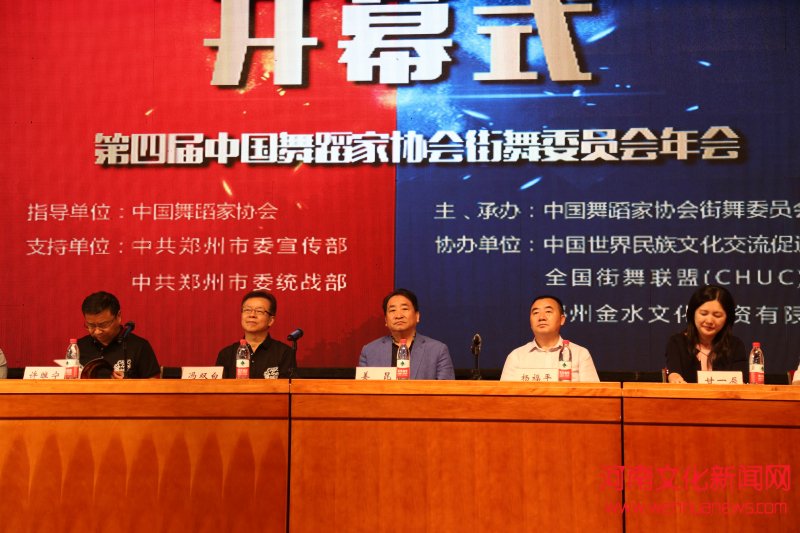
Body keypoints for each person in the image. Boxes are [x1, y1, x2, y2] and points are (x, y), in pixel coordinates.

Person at [358, 288, 455, 380]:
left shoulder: (438, 351)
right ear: (386, 320)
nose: (398, 315)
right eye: (392, 310)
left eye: (404, 309)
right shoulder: (369, 351)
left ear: (417, 316)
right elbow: (361, 389)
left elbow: (446, 390)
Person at [501, 295, 600, 382]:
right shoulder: (516, 356)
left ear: (562, 319)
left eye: (548, 311)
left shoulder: (580, 354)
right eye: (536, 312)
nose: (541, 317)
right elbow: (503, 394)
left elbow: (594, 394)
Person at [665, 285, 748, 384]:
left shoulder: (735, 345)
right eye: (703, 314)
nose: (709, 321)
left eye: (717, 315)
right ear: (692, 314)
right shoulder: (677, 343)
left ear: (727, 318)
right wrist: (674, 377)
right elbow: (674, 373)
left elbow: (741, 382)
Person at [78, 291, 161, 379]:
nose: (97, 331)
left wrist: (129, 383)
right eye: (91, 325)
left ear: (118, 316)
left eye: (103, 325)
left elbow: (154, 383)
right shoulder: (78, 347)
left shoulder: (139, 346)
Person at [216, 290, 295, 379]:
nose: (252, 315)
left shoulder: (284, 353)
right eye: (247, 310)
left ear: (271, 320)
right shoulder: (227, 354)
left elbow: (288, 386)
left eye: (259, 311)